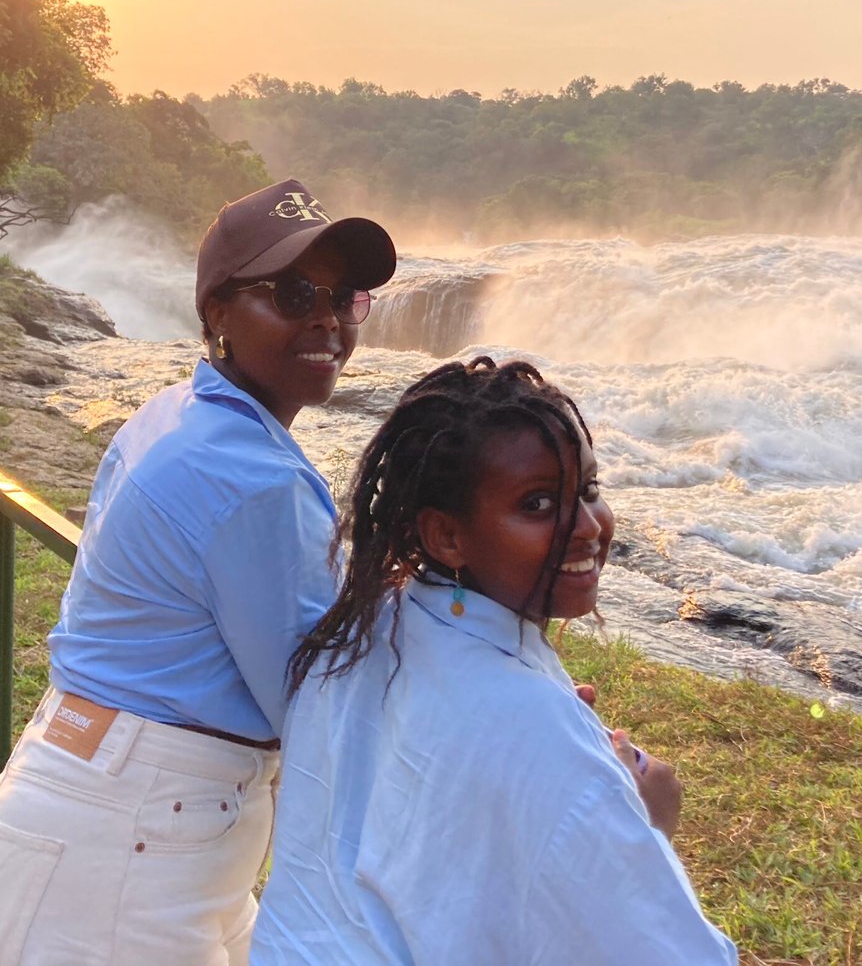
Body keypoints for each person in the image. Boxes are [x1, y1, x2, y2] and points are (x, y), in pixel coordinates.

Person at [0, 178, 396, 966]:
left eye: (343, 297)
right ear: (218, 312)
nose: (326, 318)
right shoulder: (254, 478)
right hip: (118, 880)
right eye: (293, 293)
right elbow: (324, 709)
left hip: (87, 829)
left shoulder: (171, 415)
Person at [251, 358, 740, 965]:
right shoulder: (539, 729)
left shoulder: (366, 627)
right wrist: (646, 824)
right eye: (539, 503)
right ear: (446, 536)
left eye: (589, 491)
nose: (589, 527)